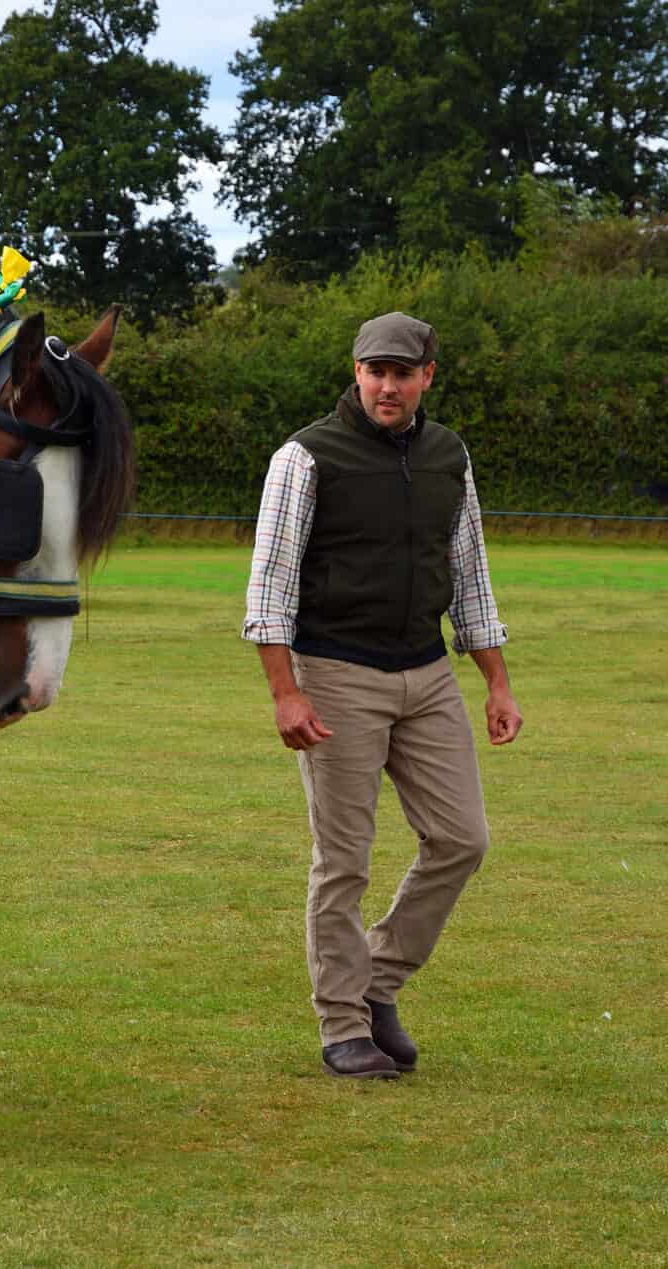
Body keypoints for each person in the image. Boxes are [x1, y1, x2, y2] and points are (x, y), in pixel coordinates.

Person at [243, 311, 523, 1080]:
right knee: (344, 859)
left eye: (403, 372)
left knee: (463, 838)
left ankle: (375, 980)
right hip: (335, 672)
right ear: (356, 370)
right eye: (375, 370)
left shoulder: (447, 457)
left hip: (429, 673)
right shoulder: (305, 457)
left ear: (429, 374)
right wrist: (285, 693)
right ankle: (343, 1024)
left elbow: (470, 576)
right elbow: (269, 585)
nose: (387, 386)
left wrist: (496, 681)